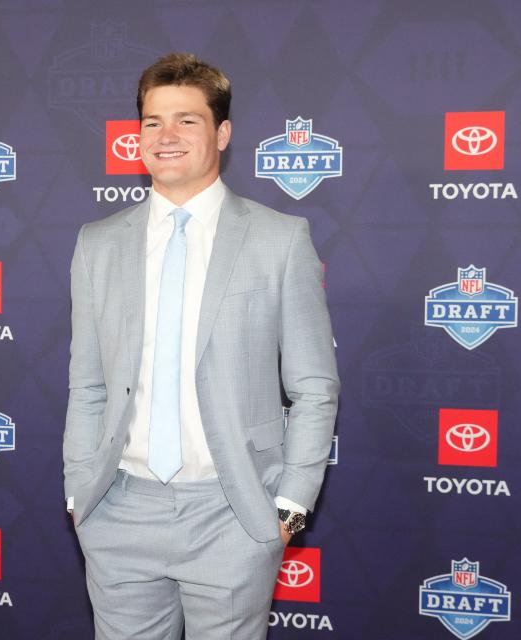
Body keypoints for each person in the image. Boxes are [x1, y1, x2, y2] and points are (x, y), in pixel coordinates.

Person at [63, 52, 339, 639]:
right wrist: (78, 488)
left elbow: (315, 387)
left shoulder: (280, 240)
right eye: (152, 122)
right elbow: (88, 384)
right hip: (118, 511)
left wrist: (289, 507)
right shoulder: (98, 244)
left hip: (234, 512)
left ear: (223, 133)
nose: (166, 137)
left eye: (187, 120)